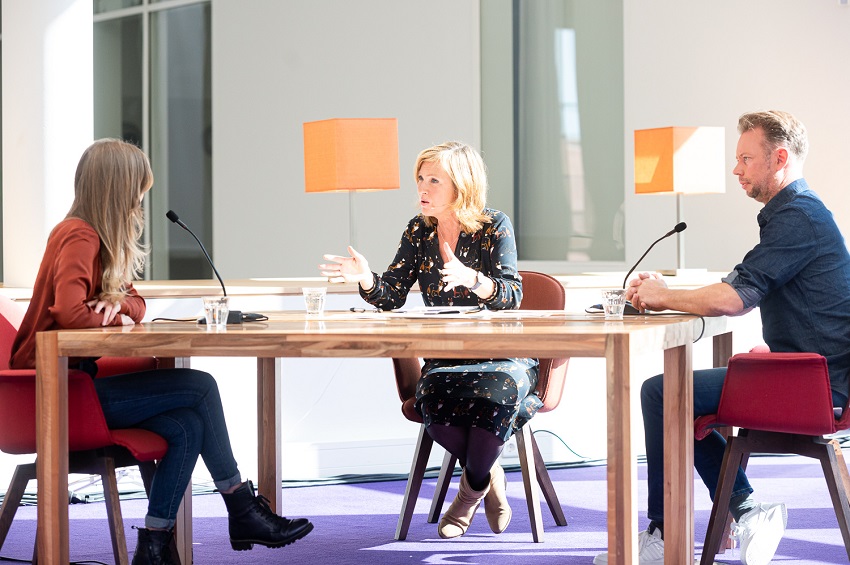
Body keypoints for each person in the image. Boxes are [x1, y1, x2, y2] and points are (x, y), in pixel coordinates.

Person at [9, 139, 313, 564]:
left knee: (187, 425)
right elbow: (71, 312)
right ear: (118, 188)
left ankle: (154, 546)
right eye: (138, 189)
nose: (140, 200)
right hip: (51, 395)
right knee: (200, 386)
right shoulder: (79, 235)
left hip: (73, 387)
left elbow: (137, 302)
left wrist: (121, 306)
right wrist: (115, 318)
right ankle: (241, 508)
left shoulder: (97, 237)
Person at [595, 110, 850, 565]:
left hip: (815, 386)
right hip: (810, 375)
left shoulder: (799, 217)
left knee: (661, 394)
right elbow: (740, 285)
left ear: (779, 159)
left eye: (746, 159)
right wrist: (667, 292)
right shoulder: (795, 213)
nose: (736, 169)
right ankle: (746, 510)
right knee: (671, 396)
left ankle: (668, 535)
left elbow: (735, 299)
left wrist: (662, 297)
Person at [319, 141, 540, 538]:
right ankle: (488, 473)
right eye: (421, 178)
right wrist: (366, 278)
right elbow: (391, 295)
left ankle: (468, 496)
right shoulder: (418, 231)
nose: (422, 187)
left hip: (503, 356)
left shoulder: (494, 226)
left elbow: (512, 296)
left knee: (496, 396)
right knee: (433, 404)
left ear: (462, 184)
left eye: (434, 180)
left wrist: (474, 279)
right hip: (447, 358)